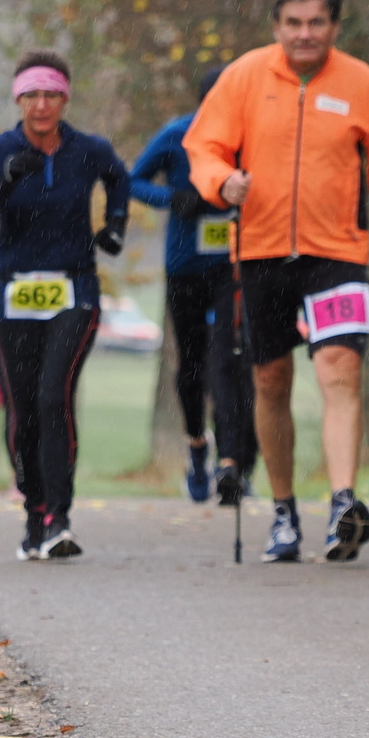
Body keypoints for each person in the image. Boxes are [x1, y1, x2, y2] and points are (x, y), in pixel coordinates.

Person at [185, 0, 369, 565]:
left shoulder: (362, 84)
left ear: (335, 27)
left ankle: (343, 504)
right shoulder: (244, 77)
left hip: (336, 254)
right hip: (261, 252)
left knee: (340, 367)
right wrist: (222, 182)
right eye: (293, 23)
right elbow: (203, 147)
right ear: (276, 27)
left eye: (317, 22)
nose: (305, 34)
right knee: (270, 381)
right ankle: (284, 511)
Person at [0, 50, 131, 560]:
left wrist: (115, 225)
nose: (41, 105)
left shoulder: (89, 150)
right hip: (15, 291)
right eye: (31, 95)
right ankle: (34, 513)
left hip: (74, 289)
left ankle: (59, 517)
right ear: (18, 100)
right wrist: (5, 183)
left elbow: (120, 178)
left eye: (51, 94)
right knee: (24, 408)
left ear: (65, 98)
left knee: (55, 396)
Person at [130, 65, 256, 505]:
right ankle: (197, 448)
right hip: (184, 266)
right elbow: (134, 181)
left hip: (234, 266)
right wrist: (173, 198)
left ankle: (232, 464)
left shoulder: (253, 137)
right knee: (192, 366)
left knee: (230, 359)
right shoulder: (177, 134)